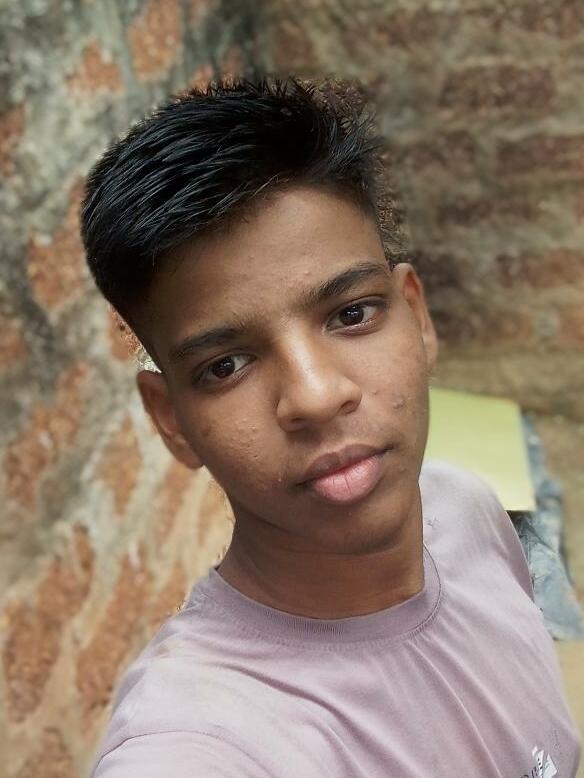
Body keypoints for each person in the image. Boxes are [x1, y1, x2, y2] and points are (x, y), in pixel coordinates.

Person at [82, 76, 581, 777]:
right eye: (226, 365)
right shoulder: (203, 745)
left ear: (417, 316)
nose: (315, 396)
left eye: (352, 314)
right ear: (173, 421)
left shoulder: (467, 511)